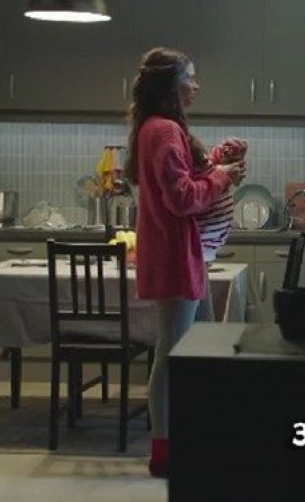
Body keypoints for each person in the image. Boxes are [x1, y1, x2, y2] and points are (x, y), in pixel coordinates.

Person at [123, 47, 246, 477]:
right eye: (189, 78)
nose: (196, 85)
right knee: (173, 355)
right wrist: (222, 178)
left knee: (203, 346)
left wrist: (215, 164)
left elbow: (183, 181)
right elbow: (181, 199)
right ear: (170, 85)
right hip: (176, 257)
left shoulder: (160, 128)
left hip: (188, 255)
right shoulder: (163, 131)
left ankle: (197, 434)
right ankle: (164, 452)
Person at [192, 137, 248, 322]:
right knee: (196, 328)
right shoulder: (171, 139)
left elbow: (207, 174)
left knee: (203, 325)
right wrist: (223, 171)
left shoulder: (203, 160)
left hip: (201, 256)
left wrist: (227, 162)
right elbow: (191, 192)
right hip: (196, 252)